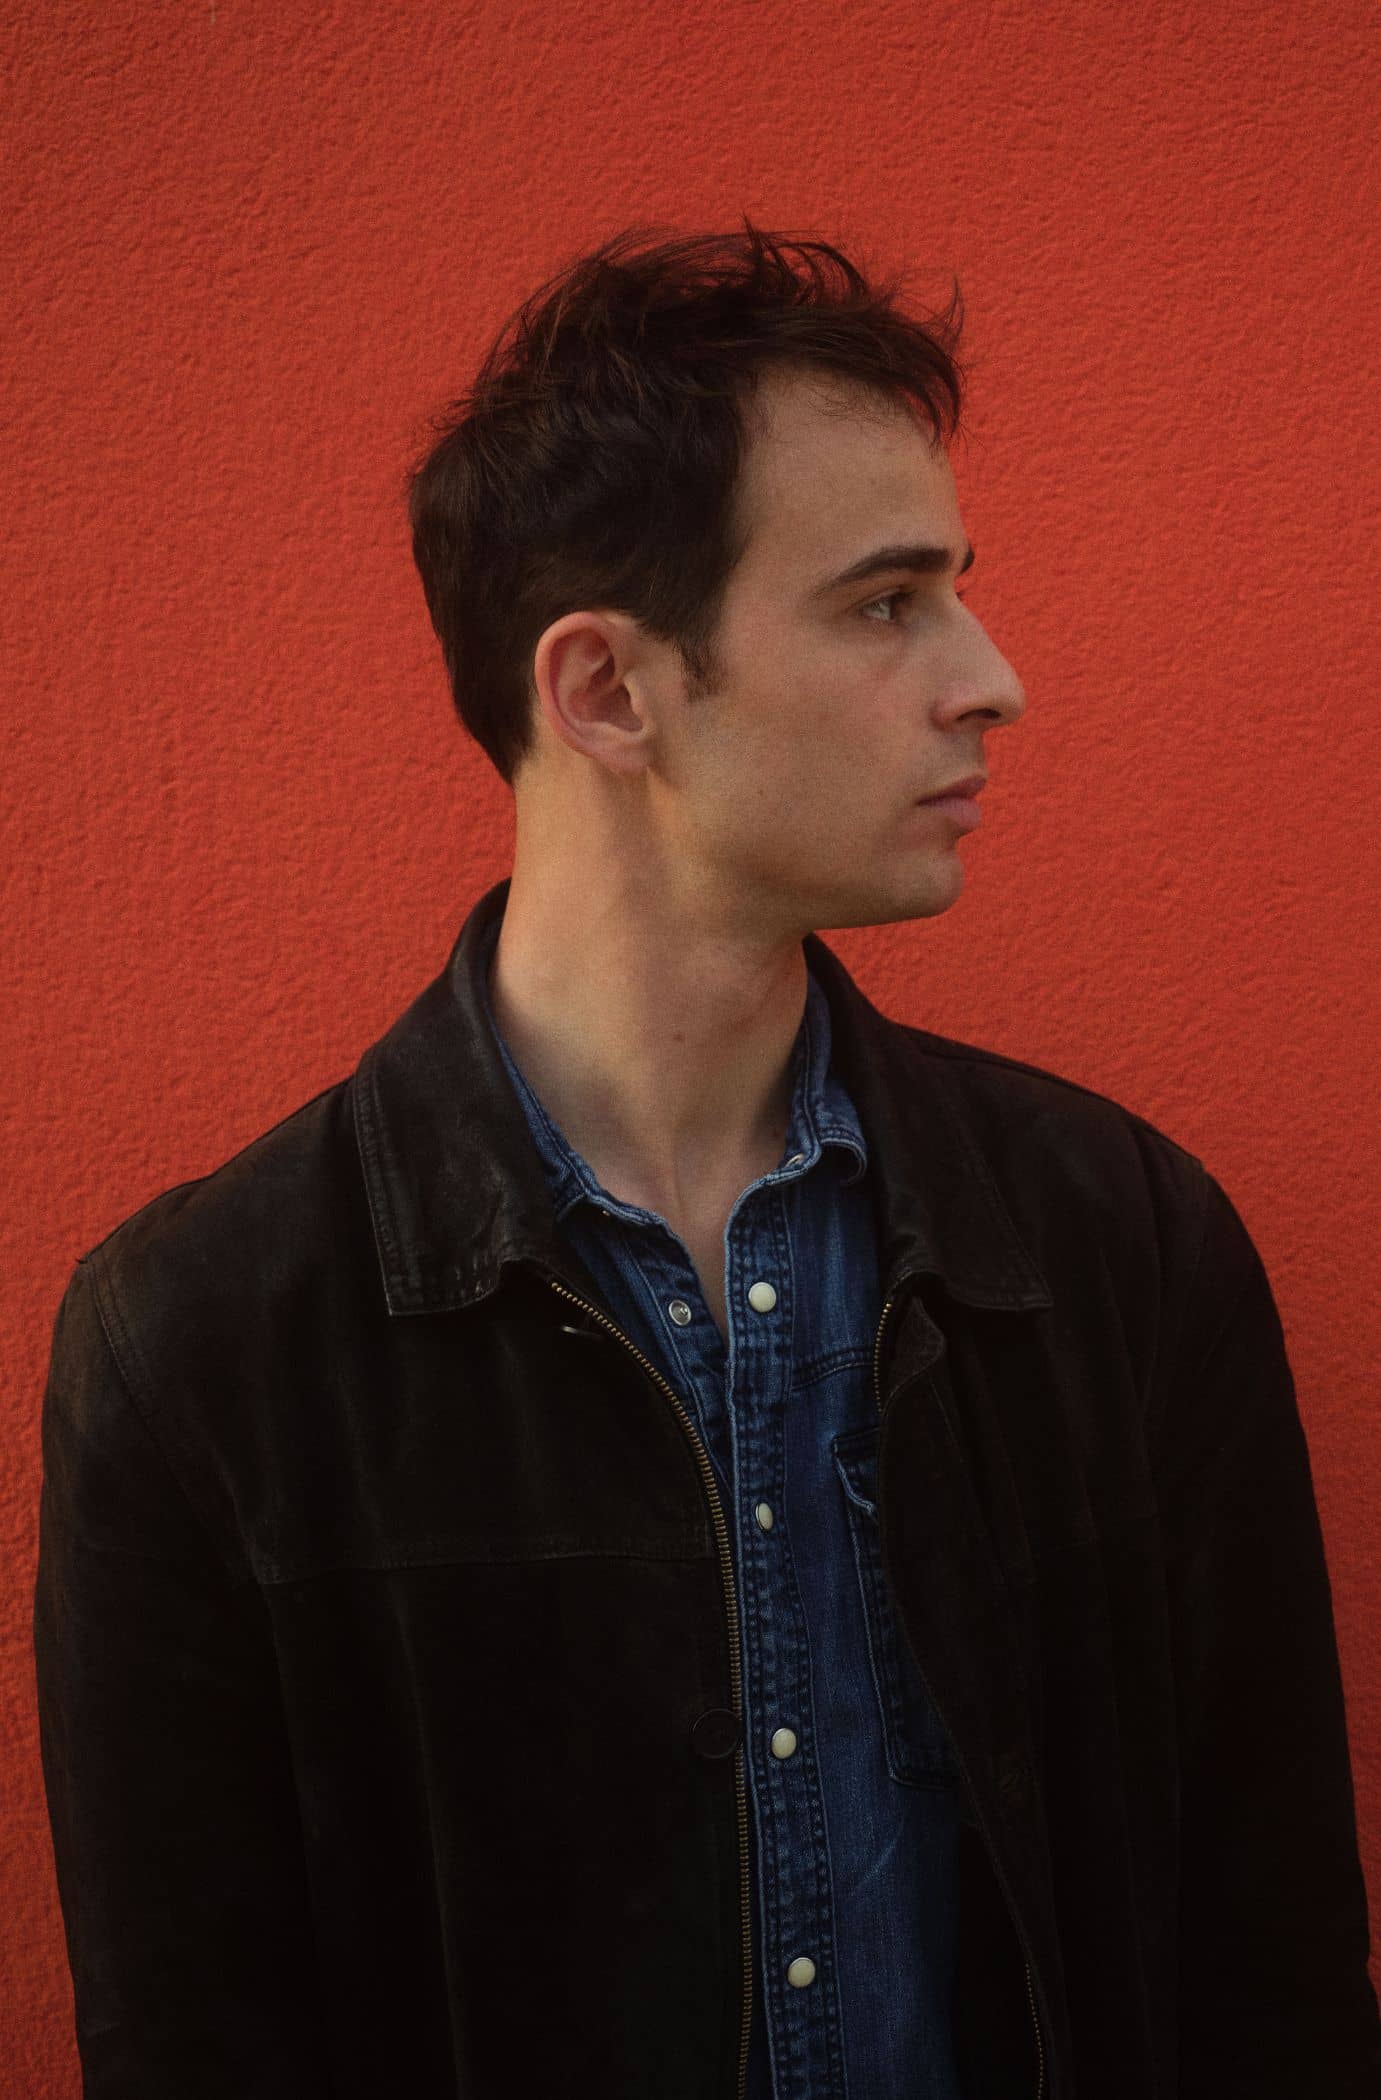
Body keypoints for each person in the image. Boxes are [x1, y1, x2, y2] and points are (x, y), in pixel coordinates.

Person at [34, 218, 1379, 2099]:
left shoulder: (1119, 1246)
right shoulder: (203, 1345)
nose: (990, 680)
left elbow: (1273, 1976)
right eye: (884, 603)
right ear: (605, 691)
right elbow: (193, 2041)